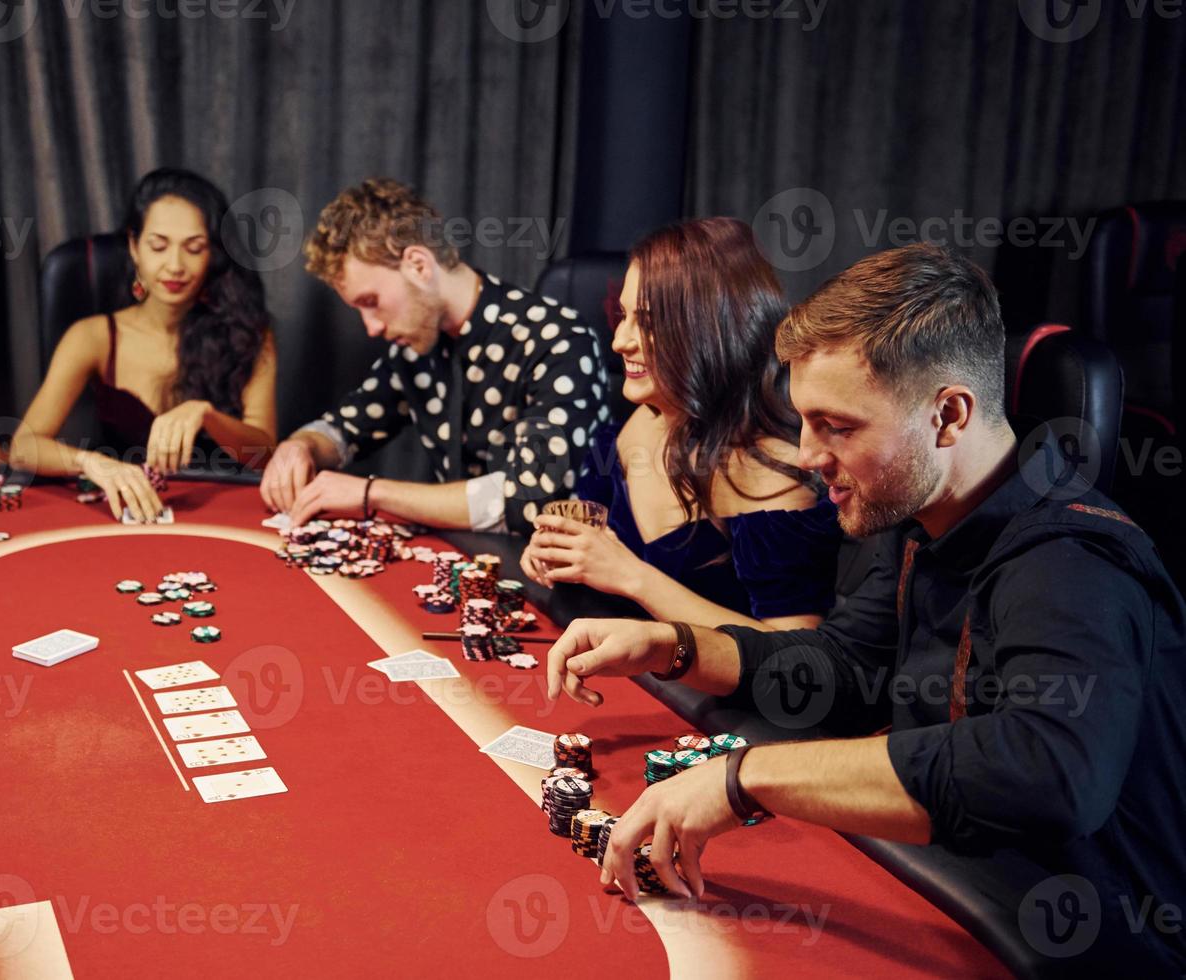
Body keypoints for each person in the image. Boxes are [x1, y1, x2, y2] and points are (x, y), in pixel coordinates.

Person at [543, 244, 1186, 972]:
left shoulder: (1070, 561)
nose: (810, 455)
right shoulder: (921, 516)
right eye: (805, 422)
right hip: (961, 893)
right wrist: (673, 645)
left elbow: (1046, 772)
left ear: (948, 415)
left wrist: (745, 780)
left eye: (838, 427)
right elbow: (845, 671)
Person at [521, 219, 841, 629]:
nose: (620, 340)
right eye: (623, 315)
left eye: (649, 323)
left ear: (712, 333)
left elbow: (790, 658)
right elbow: (589, 525)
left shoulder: (775, 477)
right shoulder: (643, 420)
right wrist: (558, 552)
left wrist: (632, 577)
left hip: (697, 693)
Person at [259, 178, 611, 535]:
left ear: (418, 265)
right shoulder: (415, 349)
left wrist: (371, 492)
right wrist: (299, 445)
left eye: (371, 302)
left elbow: (527, 500)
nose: (371, 328)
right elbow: (344, 428)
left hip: (551, 573)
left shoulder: (559, 338)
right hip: (457, 561)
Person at [10, 169, 277, 521]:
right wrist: (92, 462)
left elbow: (265, 453)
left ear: (212, 254)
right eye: (158, 246)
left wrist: (206, 415)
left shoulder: (248, 331)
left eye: (194, 248)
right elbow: (22, 448)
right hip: (130, 513)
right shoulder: (93, 336)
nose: (175, 265)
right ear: (134, 247)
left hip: (224, 512)